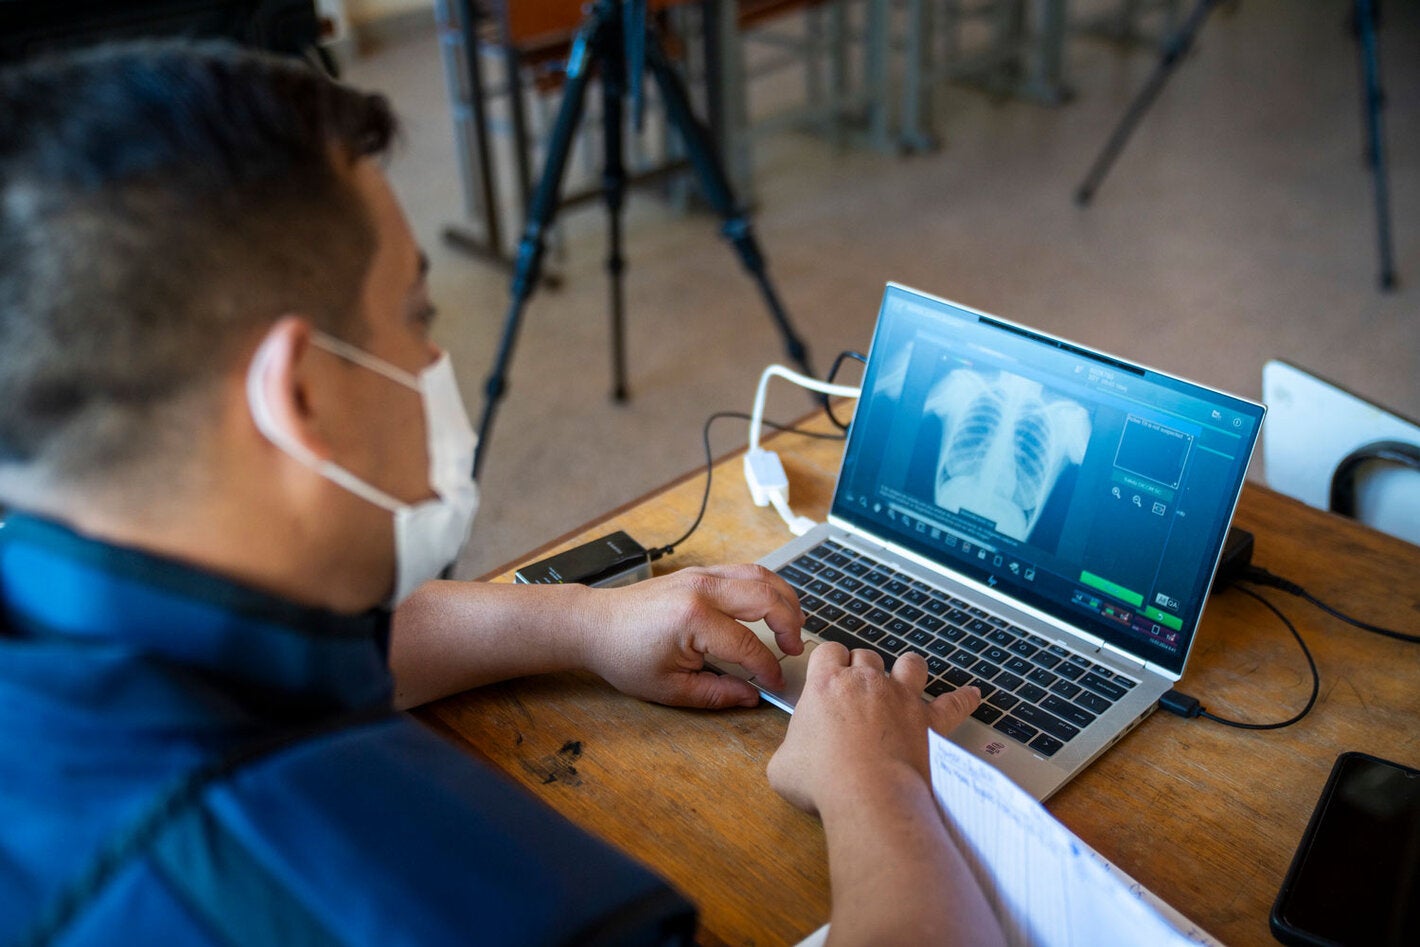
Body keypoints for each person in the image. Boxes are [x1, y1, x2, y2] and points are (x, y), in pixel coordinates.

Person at [0, 40, 1004, 946]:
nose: (437, 355)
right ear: (299, 394)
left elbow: (261, 653)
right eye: (414, 313)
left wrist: (580, 623)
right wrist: (880, 788)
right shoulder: (457, 903)